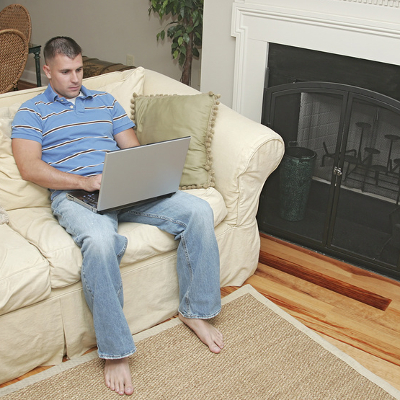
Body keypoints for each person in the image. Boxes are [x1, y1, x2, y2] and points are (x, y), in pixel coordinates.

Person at [11, 36, 224, 396]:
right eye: (65, 72)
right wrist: (85, 181)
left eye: (79, 70)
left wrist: (140, 175)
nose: (75, 78)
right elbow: (29, 167)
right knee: (100, 242)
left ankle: (195, 311)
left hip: (124, 187)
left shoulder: (106, 102)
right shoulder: (31, 112)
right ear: (47, 71)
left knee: (198, 210)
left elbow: (132, 148)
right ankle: (115, 352)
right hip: (76, 195)